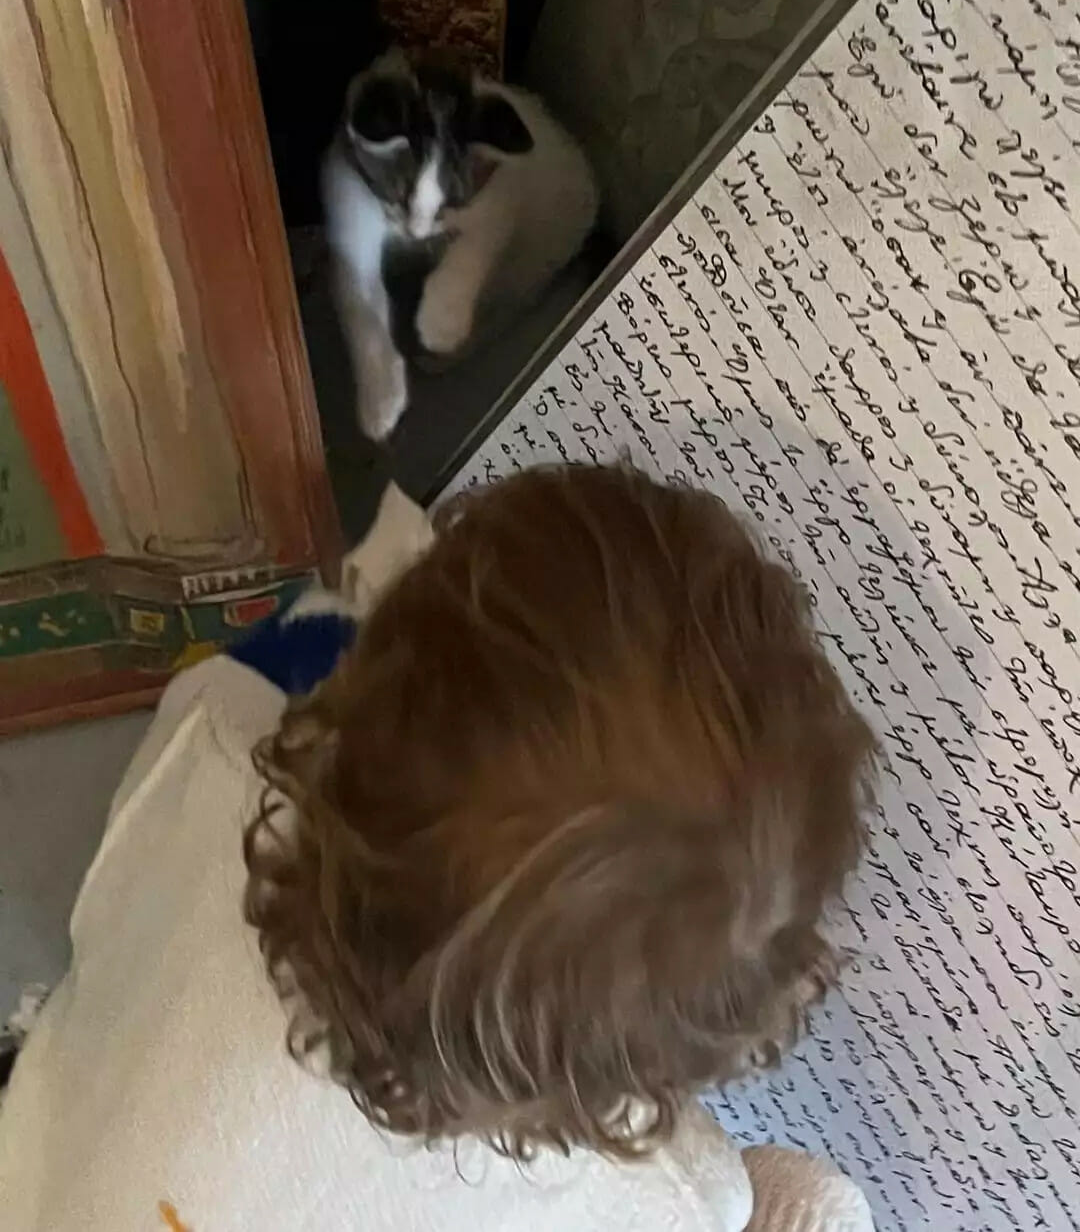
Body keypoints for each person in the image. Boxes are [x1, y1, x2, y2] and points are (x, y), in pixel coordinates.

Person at [0, 466, 876, 1231]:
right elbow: (775, 1201)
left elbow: (330, 613)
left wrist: (413, 590)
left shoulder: (214, 755)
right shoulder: (665, 1194)